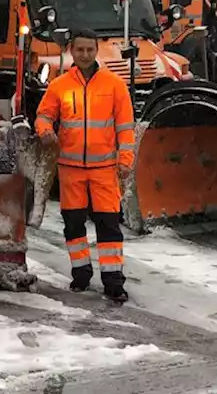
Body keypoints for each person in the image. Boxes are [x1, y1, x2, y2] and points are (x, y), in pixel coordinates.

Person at [34, 27, 134, 303]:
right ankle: (80, 274)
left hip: (104, 170)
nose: (86, 54)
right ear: (71, 51)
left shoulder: (115, 85)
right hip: (70, 170)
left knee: (109, 227)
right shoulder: (59, 86)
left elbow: (126, 128)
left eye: (90, 49)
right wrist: (45, 132)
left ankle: (113, 282)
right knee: (74, 226)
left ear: (96, 51)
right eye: (80, 49)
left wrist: (126, 160)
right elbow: (43, 115)